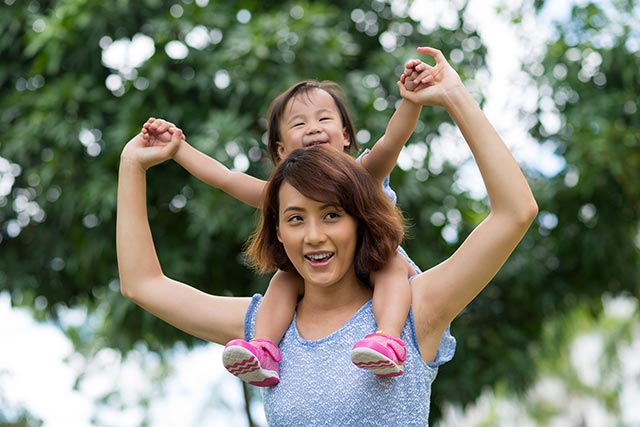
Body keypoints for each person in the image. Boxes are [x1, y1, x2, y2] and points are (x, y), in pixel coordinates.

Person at [116, 46, 538, 425]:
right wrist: (132, 165)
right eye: (296, 218)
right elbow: (143, 284)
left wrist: (452, 95)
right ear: (278, 230)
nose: (314, 235)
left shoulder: (415, 310)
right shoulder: (268, 326)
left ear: (360, 218)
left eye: (332, 215)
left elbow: (516, 212)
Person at [140, 62, 431, 385]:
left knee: (391, 265)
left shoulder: (365, 172)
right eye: (298, 123)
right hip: (319, 266)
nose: (313, 128)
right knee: (283, 278)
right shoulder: (282, 193)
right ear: (281, 150)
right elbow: (226, 178)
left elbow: (392, 140)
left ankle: (388, 339)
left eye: (324, 118)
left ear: (346, 135)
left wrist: (411, 101)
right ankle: (263, 349)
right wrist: (178, 149)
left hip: (373, 256)